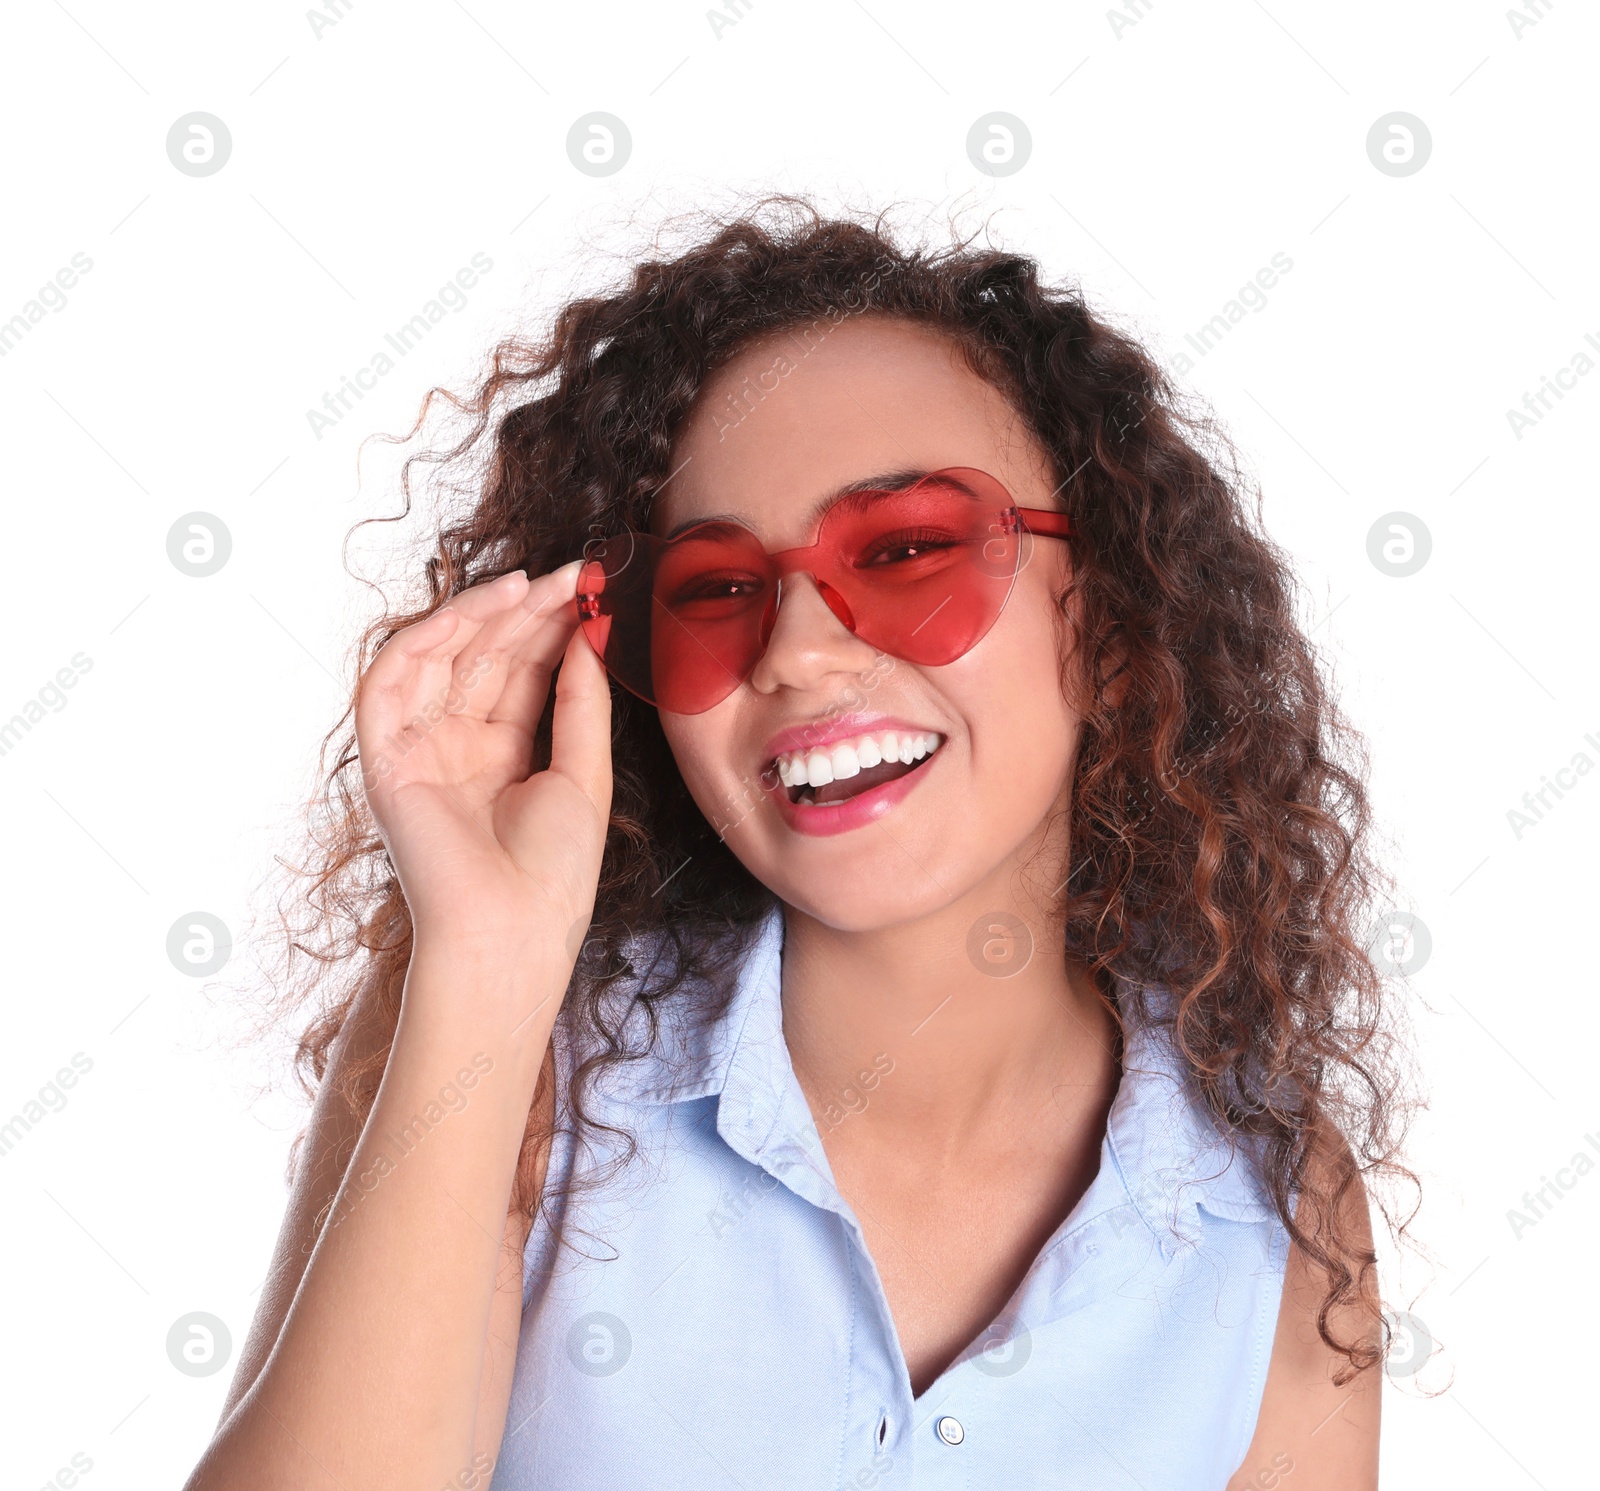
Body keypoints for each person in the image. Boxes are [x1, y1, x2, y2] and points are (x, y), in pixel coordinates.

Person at [185, 199, 1411, 1490]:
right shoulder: (524, 1069)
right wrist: (485, 963)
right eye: (713, 590)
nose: (797, 648)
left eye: (909, 550)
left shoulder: (1269, 1188)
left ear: (1108, 628)